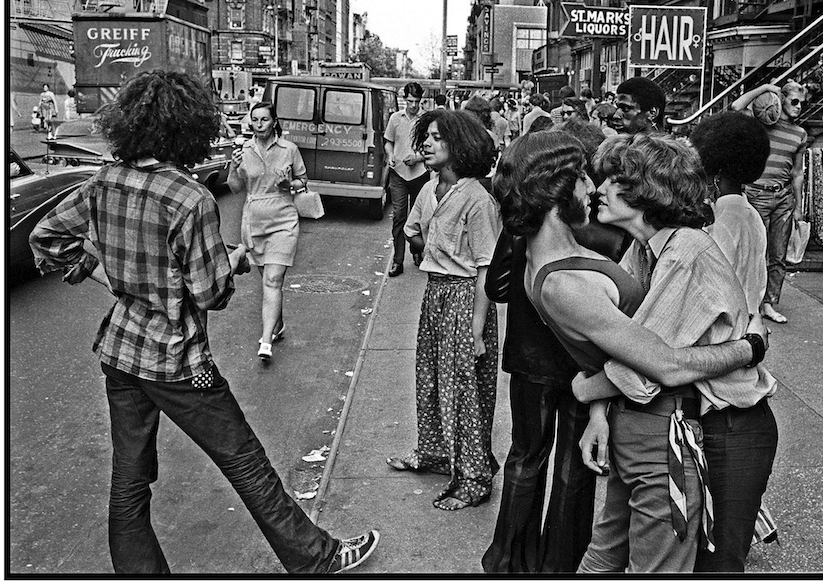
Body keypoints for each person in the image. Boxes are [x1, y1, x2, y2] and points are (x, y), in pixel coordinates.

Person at [28, 70, 379, 574]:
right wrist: (232, 262)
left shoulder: (105, 180)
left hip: (121, 352)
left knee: (128, 484)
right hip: (178, 359)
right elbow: (210, 293)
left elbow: (48, 237)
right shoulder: (189, 198)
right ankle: (315, 558)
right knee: (246, 462)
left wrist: (106, 277)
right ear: (185, 129)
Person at [493, 132, 767, 573]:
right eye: (586, 176)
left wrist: (594, 397)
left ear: (644, 190)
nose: (594, 187)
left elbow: (645, 364)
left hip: (714, 420)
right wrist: (750, 347)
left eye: (607, 178)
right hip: (665, 422)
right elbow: (659, 365)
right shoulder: (621, 259)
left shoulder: (672, 251)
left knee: (666, 558)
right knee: (658, 562)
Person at [481, 121, 628, 575]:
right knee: (573, 469)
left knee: (526, 457)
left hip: (531, 361)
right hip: (587, 368)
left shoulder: (527, 230)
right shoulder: (606, 232)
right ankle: (560, 567)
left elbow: (497, 284)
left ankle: (506, 560)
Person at [388, 109, 502, 512]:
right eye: (426, 137)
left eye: (437, 137)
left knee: (464, 391)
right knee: (431, 378)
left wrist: (476, 328)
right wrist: (421, 250)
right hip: (435, 294)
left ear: (460, 145)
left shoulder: (476, 198)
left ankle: (473, 477)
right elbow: (412, 230)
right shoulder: (429, 189)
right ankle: (435, 453)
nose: (427, 144)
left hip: (465, 297)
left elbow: (487, 265)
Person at [688, 111, 780, 572]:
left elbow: (706, 293)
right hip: (732, 368)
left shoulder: (729, 218)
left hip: (730, 389)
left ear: (715, 169)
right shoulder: (740, 214)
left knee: (720, 555)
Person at [227, 102, 308, 362]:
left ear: (274, 121)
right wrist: (232, 168)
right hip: (254, 222)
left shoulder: (289, 149)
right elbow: (236, 188)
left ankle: (266, 340)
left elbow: (303, 182)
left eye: (264, 119)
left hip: (284, 220)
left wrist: (288, 183)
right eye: (255, 120)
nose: (259, 124)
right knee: (268, 281)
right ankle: (278, 324)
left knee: (273, 280)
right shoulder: (244, 150)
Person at [731, 80, 810, 324]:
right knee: (755, 253)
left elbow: (797, 173)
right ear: (782, 99)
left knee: (778, 255)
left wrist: (799, 206)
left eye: (802, 103)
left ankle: (769, 304)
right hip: (757, 194)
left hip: (783, 197)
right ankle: (750, 302)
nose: (799, 107)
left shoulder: (800, 134)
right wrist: (765, 87)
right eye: (794, 101)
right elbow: (736, 106)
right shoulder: (761, 124)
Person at [384, 82, 430, 277]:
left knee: (418, 218)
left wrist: (418, 157)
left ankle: (417, 251)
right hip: (399, 175)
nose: (413, 105)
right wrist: (389, 155)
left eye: (417, 101)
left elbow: (431, 147)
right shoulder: (395, 119)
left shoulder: (425, 120)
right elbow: (388, 142)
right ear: (405, 99)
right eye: (410, 101)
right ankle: (398, 260)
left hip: (419, 174)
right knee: (399, 216)